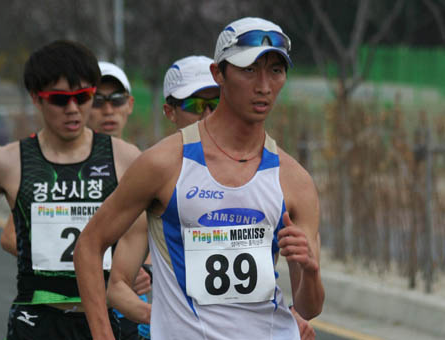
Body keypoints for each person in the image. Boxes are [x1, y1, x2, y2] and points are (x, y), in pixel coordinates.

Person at [74, 17, 324, 340]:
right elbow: (89, 246)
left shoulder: (294, 180)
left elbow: (310, 306)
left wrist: (310, 270)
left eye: (275, 71)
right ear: (218, 74)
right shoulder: (164, 163)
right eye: (249, 70)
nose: (263, 86)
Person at [0, 40, 145, 339]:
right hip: (36, 319)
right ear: (36, 98)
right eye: (59, 100)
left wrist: (141, 264)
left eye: (83, 97)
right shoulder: (6, 161)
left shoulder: (124, 156)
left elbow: (149, 224)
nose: (73, 109)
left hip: (104, 315)